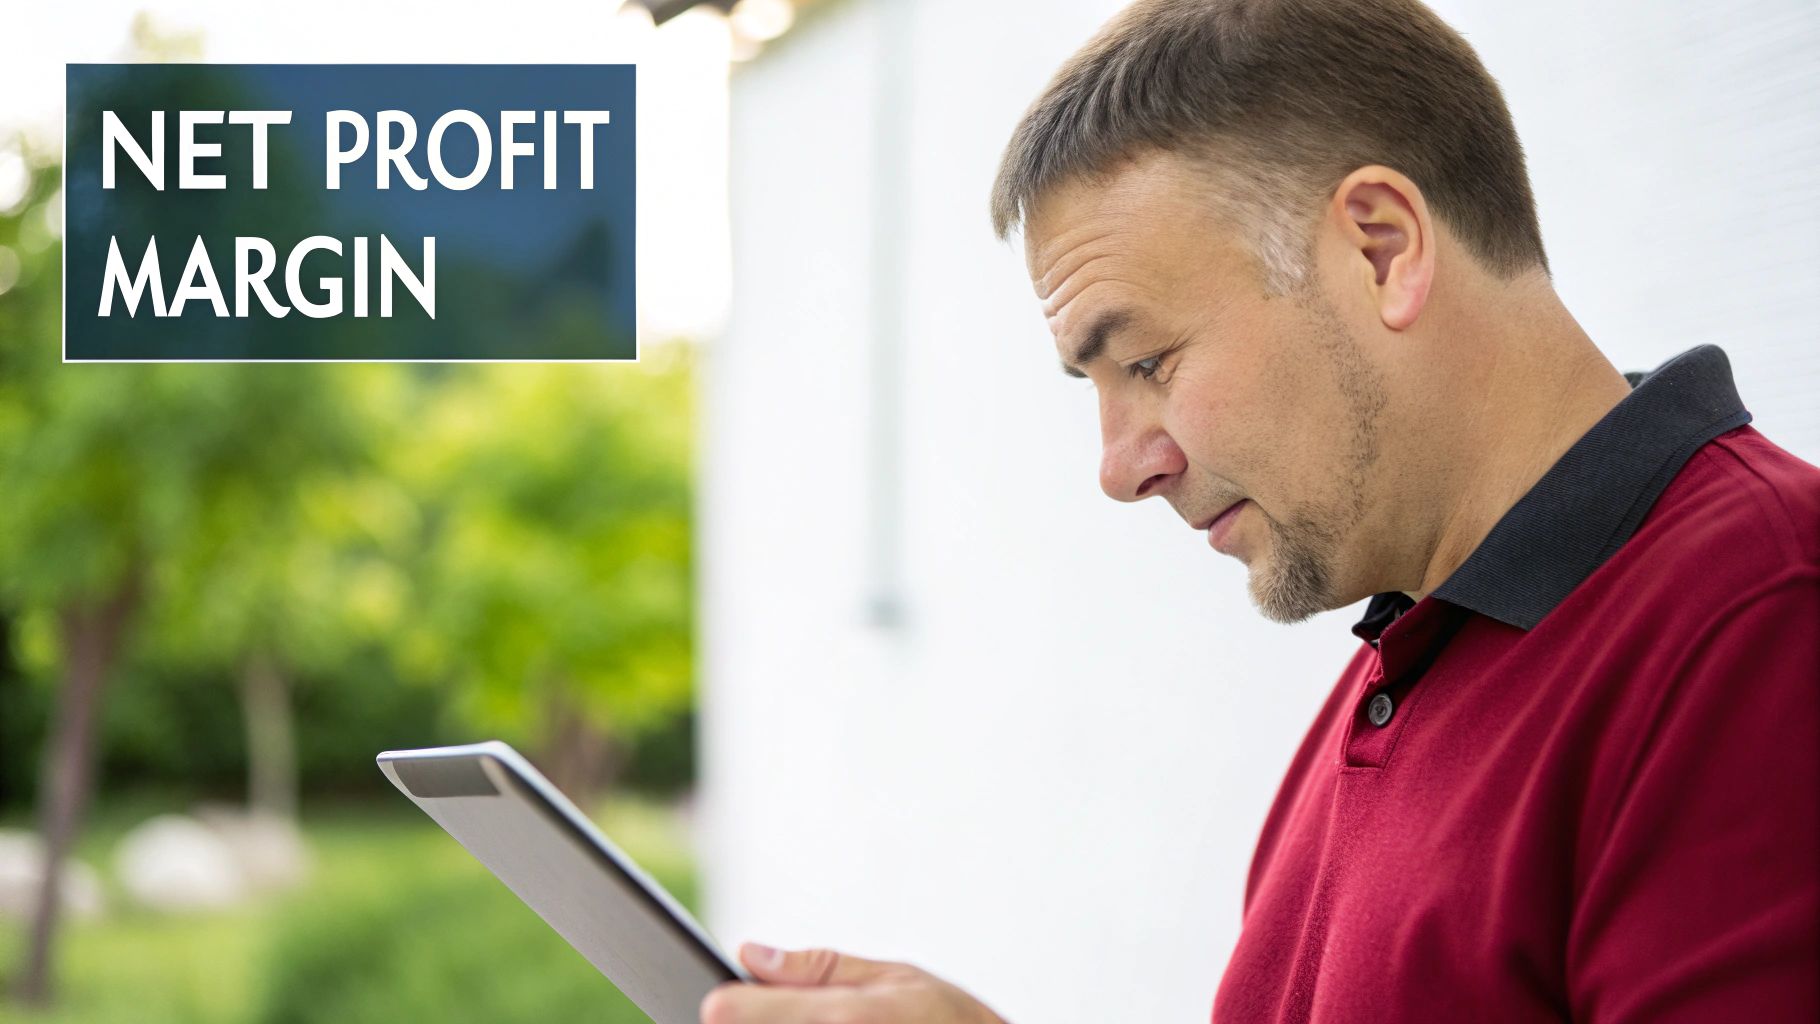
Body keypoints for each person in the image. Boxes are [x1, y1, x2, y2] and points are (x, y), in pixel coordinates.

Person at [699, 0, 1820, 1020]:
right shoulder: (1406, 658)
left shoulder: (1760, 620)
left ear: (1380, 248)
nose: (1120, 468)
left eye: (1147, 361)